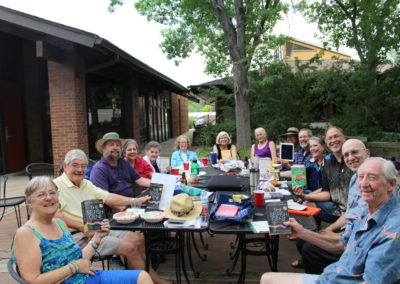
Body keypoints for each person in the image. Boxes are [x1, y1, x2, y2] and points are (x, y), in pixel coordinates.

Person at [261, 157, 400, 284]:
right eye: (361, 177)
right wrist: (301, 232)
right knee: (267, 278)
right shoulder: (365, 212)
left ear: (391, 185)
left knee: (268, 279)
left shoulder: (393, 231)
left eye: (372, 177)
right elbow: (341, 245)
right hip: (332, 276)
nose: (363, 184)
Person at [54, 149, 169, 284]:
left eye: (83, 166)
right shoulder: (56, 186)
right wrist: (82, 227)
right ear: (65, 166)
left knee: (138, 237)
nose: (80, 169)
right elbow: (55, 215)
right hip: (76, 236)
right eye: (75, 165)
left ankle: (145, 277)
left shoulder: (86, 183)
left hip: (96, 228)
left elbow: (108, 197)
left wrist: (134, 201)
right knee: (130, 247)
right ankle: (155, 281)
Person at [12, 176, 153, 284]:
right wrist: (73, 268)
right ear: (29, 202)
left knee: (142, 276)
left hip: (85, 276)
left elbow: (78, 259)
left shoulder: (59, 223)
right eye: (41, 195)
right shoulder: (26, 233)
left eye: (52, 193)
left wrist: (97, 238)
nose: (49, 198)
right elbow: (33, 280)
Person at [291, 139, 370, 273]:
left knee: (309, 248)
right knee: (302, 241)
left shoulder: (372, 182)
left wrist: (334, 234)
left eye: (354, 153)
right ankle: (319, 269)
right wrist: (330, 230)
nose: (350, 158)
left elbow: (362, 226)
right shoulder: (355, 178)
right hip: (348, 228)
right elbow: (351, 211)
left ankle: (324, 276)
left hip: (358, 240)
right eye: (347, 155)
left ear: (367, 153)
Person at [293, 126, 353, 223]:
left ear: (344, 139)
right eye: (330, 138)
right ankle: (313, 232)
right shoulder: (329, 164)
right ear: (326, 142)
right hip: (336, 207)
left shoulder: (351, 160)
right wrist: (304, 196)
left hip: (353, 210)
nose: (333, 140)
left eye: (336, 136)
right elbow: (327, 192)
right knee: (307, 204)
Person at [90, 132, 151, 198]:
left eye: (118, 145)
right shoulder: (99, 169)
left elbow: (140, 180)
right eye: (111, 145)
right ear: (103, 148)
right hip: (115, 206)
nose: (115, 148)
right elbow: (107, 199)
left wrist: (160, 184)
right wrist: (134, 203)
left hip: (132, 202)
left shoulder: (124, 163)